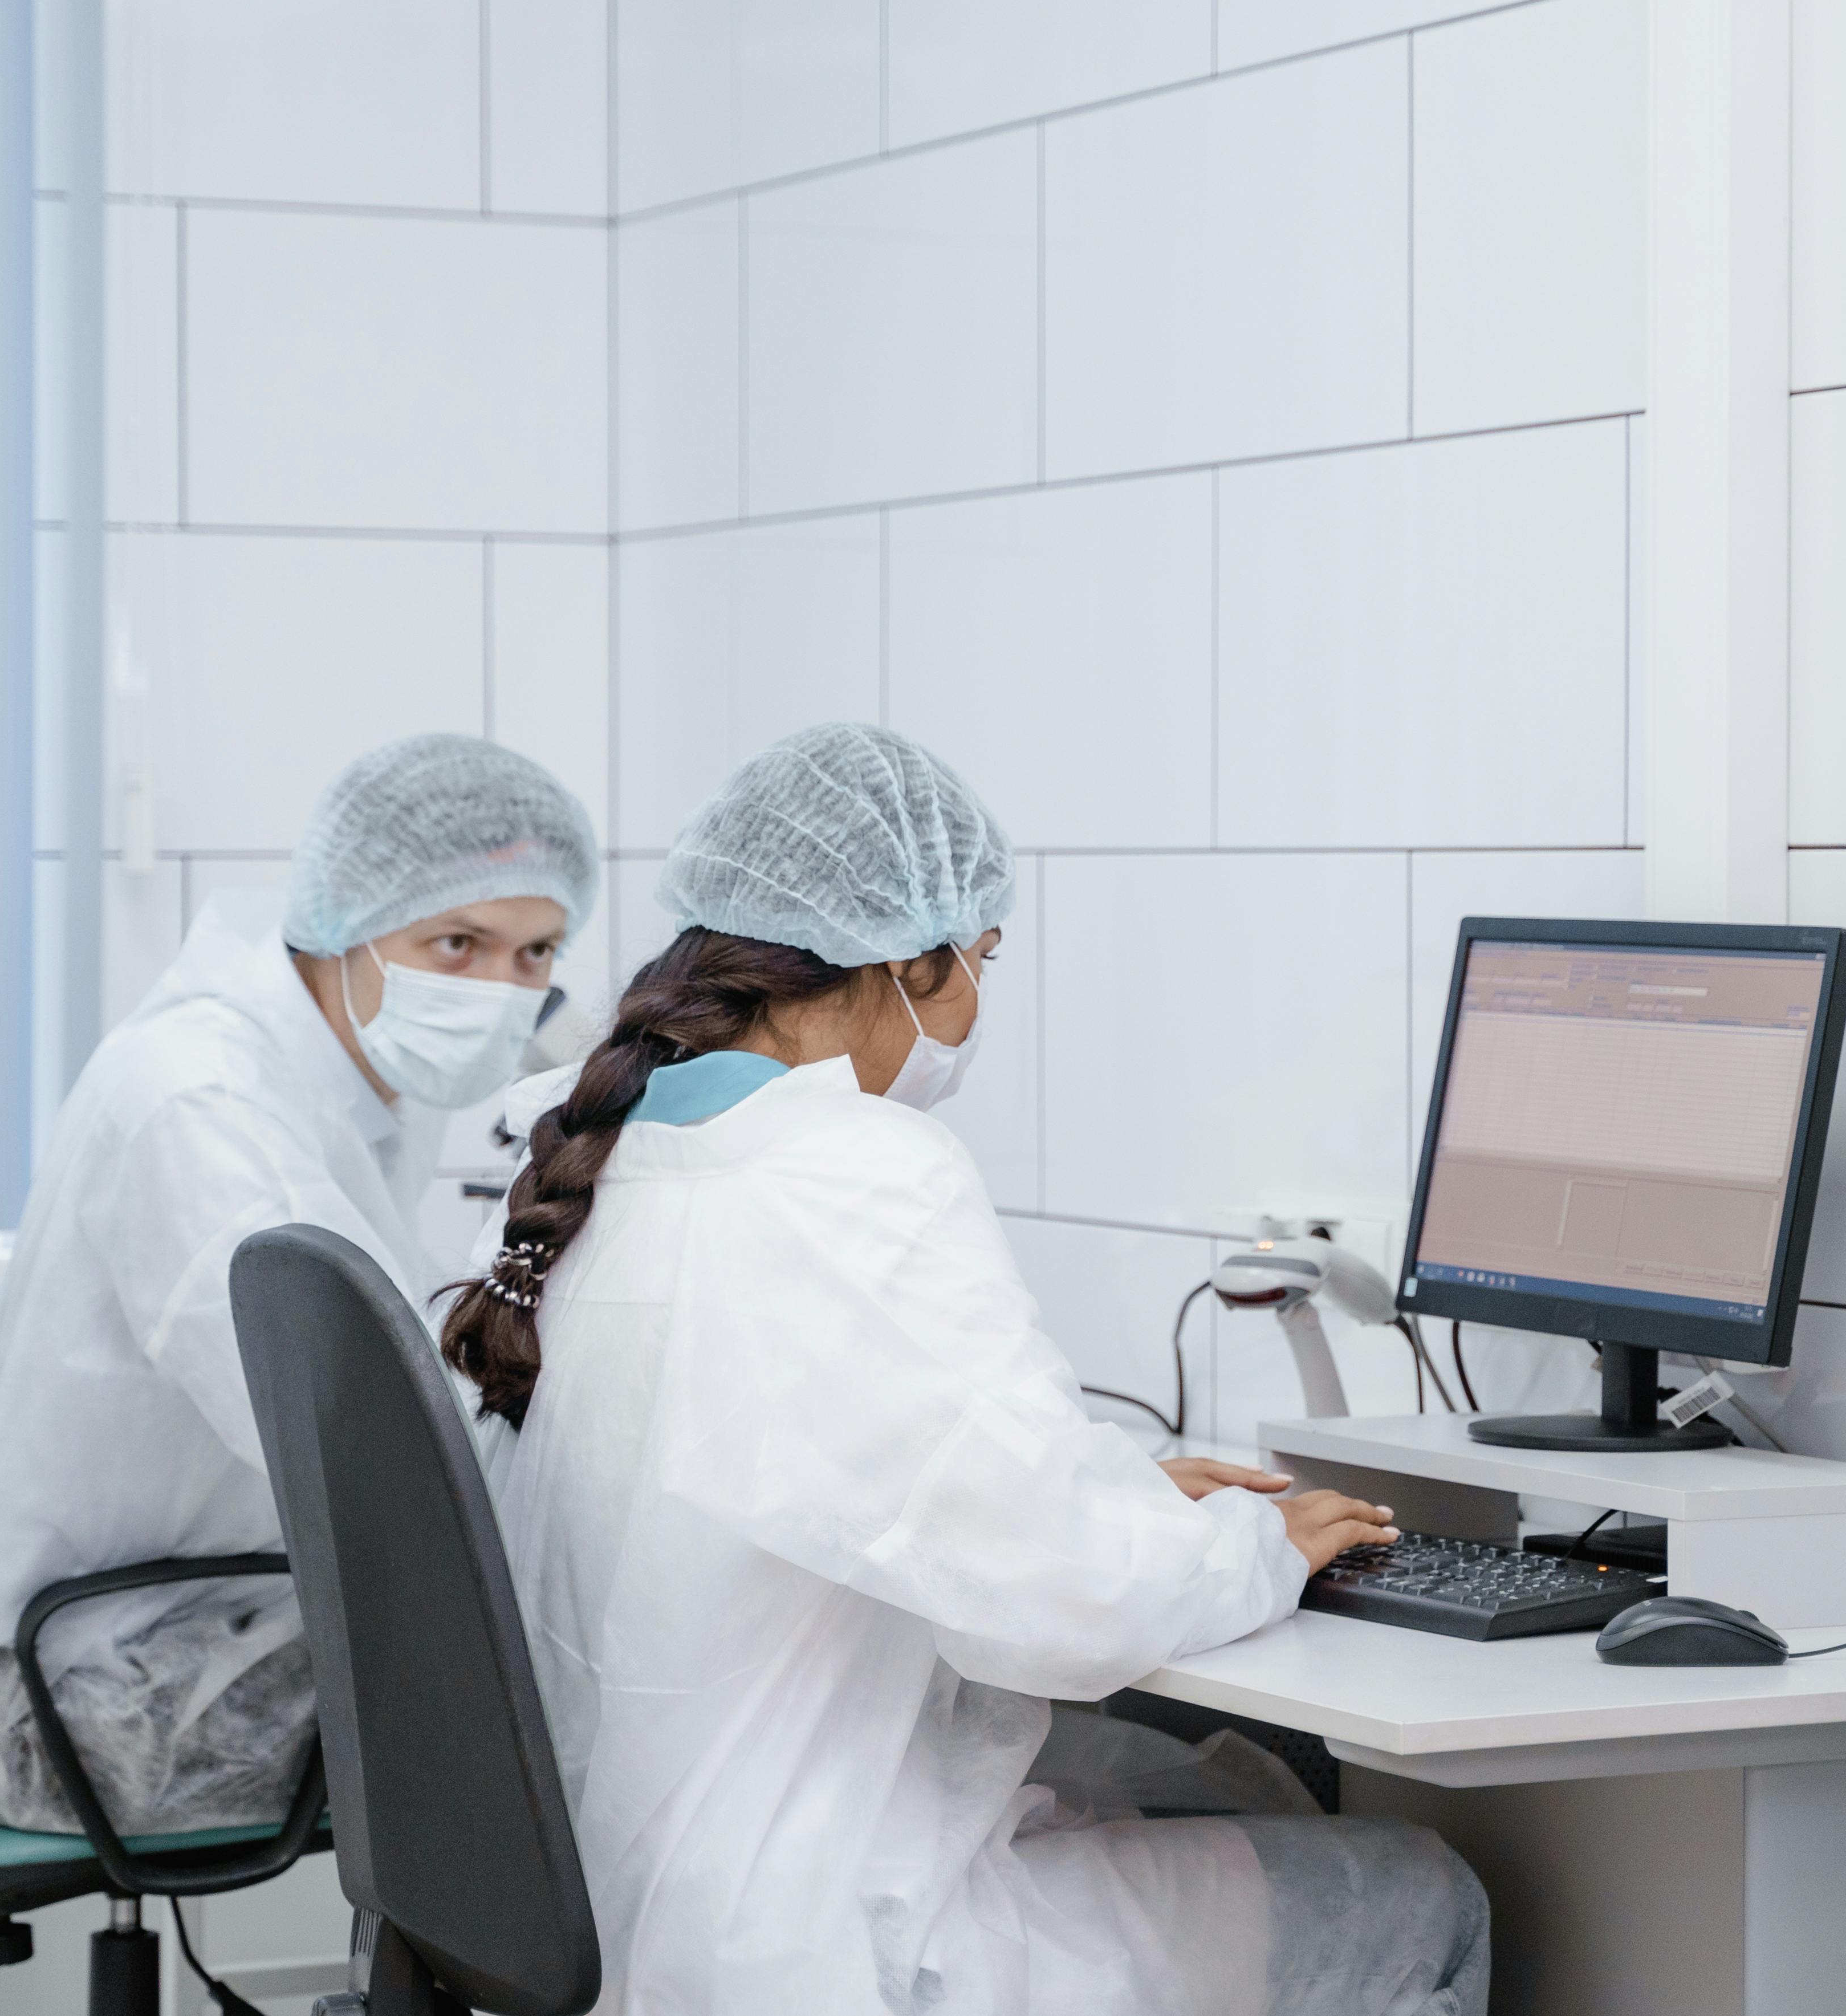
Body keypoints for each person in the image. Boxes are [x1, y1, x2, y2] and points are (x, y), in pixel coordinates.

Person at [441, 722, 1491, 2016]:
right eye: (978, 962)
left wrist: (1120, 1486)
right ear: (904, 960)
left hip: (612, 1904)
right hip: (805, 1944)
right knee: (1424, 1895)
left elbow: (866, 1468)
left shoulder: (606, 1145)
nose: (975, 1010)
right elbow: (1065, 1605)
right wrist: (1260, 1546)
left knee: (1206, 1782)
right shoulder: (856, 1173)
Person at [0, 731, 599, 1836]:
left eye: (535, 954)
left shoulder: (323, 1081)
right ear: (341, 920)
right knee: (579, 1687)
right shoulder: (206, 1104)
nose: (501, 989)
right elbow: (356, 1444)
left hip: (144, 1635)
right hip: (69, 1706)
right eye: (457, 941)